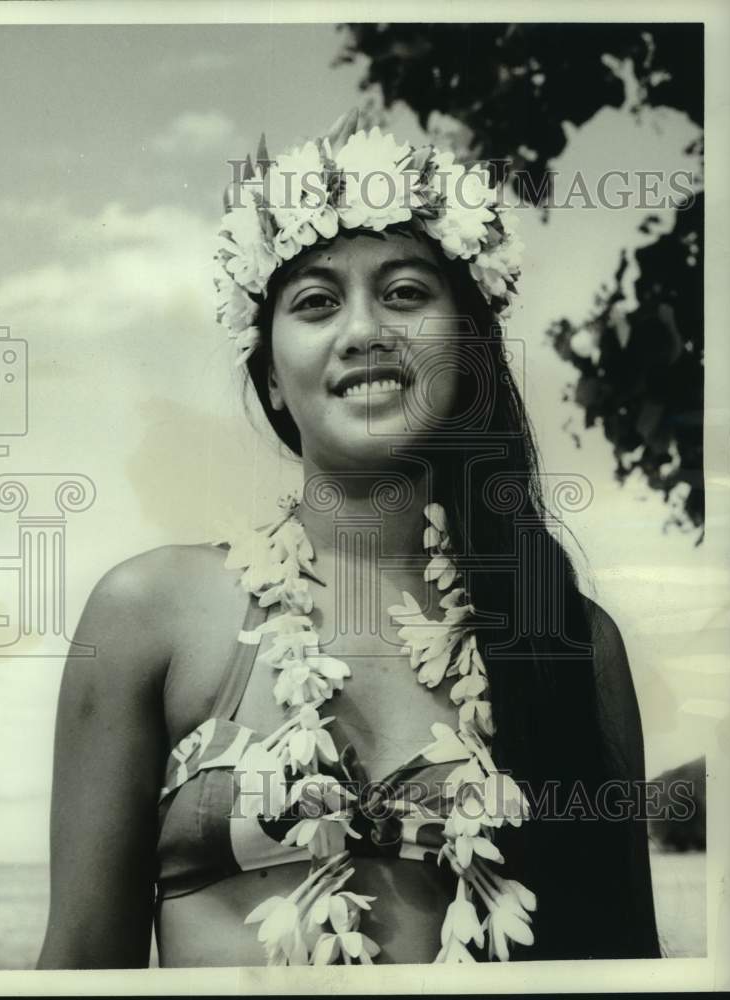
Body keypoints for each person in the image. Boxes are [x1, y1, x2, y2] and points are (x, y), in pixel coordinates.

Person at [37, 109, 661, 969]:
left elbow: (626, 968)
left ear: (470, 349)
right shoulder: (150, 615)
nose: (364, 329)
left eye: (405, 292)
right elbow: (76, 973)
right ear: (272, 380)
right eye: (317, 302)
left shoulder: (573, 640)